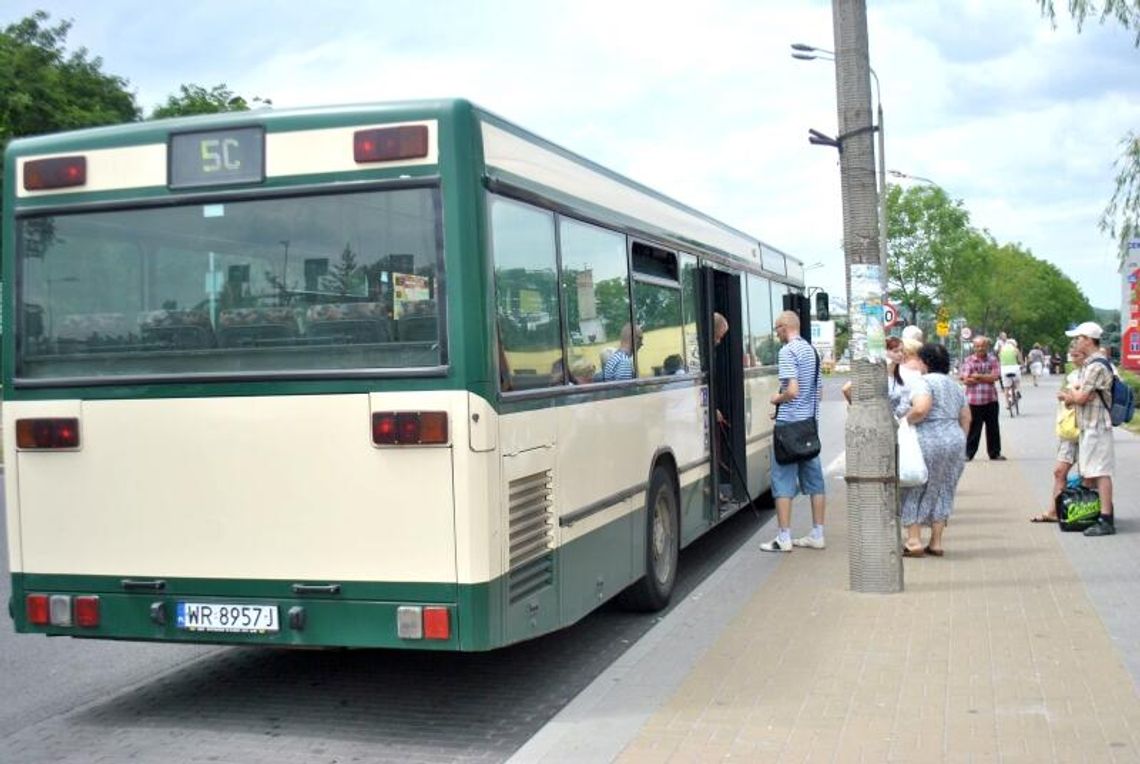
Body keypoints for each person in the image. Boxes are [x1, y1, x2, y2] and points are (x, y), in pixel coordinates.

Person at [760, 310, 826, 552]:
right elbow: (817, 392)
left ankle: (784, 538)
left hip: (788, 429)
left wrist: (777, 399)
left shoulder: (787, 351)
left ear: (784, 327)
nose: (776, 333)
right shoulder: (812, 352)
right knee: (815, 482)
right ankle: (818, 533)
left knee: (782, 483)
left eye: (777, 328)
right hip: (808, 426)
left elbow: (793, 390)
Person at [900, 343, 970, 557]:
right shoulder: (955, 385)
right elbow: (966, 417)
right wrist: (959, 440)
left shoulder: (923, 382)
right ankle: (936, 542)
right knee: (944, 488)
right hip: (954, 439)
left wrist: (903, 421)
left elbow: (921, 408)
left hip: (928, 438)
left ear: (926, 362)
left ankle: (913, 540)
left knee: (915, 486)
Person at [1059, 321, 1116, 537]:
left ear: (1089, 340)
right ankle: (1098, 512)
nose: (1076, 342)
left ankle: (1106, 518)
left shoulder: (1096, 366)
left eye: (1079, 338)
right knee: (1091, 471)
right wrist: (1074, 395)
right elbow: (1082, 395)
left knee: (1100, 472)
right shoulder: (1090, 365)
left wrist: (1069, 395)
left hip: (1097, 426)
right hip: (1089, 425)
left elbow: (1082, 397)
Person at [1031, 341, 1087, 522]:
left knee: (1088, 474)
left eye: (1076, 355)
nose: (1072, 358)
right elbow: (1068, 396)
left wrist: (1068, 396)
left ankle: (1088, 510)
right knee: (1059, 471)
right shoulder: (1073, 374)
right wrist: (1069, 395)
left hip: (1085, 428)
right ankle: (1055, 511)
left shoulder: (1093, 372)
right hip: (1070, 429)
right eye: (1072, 355)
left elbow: (1079, 397)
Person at [959, 336, 1005, 461]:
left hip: (991, 399)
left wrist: (978, 376)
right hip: (973, 400)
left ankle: (995, 453)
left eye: (983, 346)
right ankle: (968, 453)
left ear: (987, 347)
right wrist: (984, 377)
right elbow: (965, 379)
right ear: (974, 347)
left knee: (993, 428)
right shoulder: (969, 360)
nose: (980, 349)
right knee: (974, 428)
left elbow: (995, 376)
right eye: (977, 346)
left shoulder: (993, 359)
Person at [998, 337, 1023, 406]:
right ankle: (1017, 391)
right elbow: (1020, 360)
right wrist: (1022, 365)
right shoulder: (1015, 349)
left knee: (1006, 387)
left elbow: (1000, 359)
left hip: (1004, 369)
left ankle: (1007, 403)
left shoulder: (1001, 349)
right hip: (1014, 368)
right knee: (1017, 381)